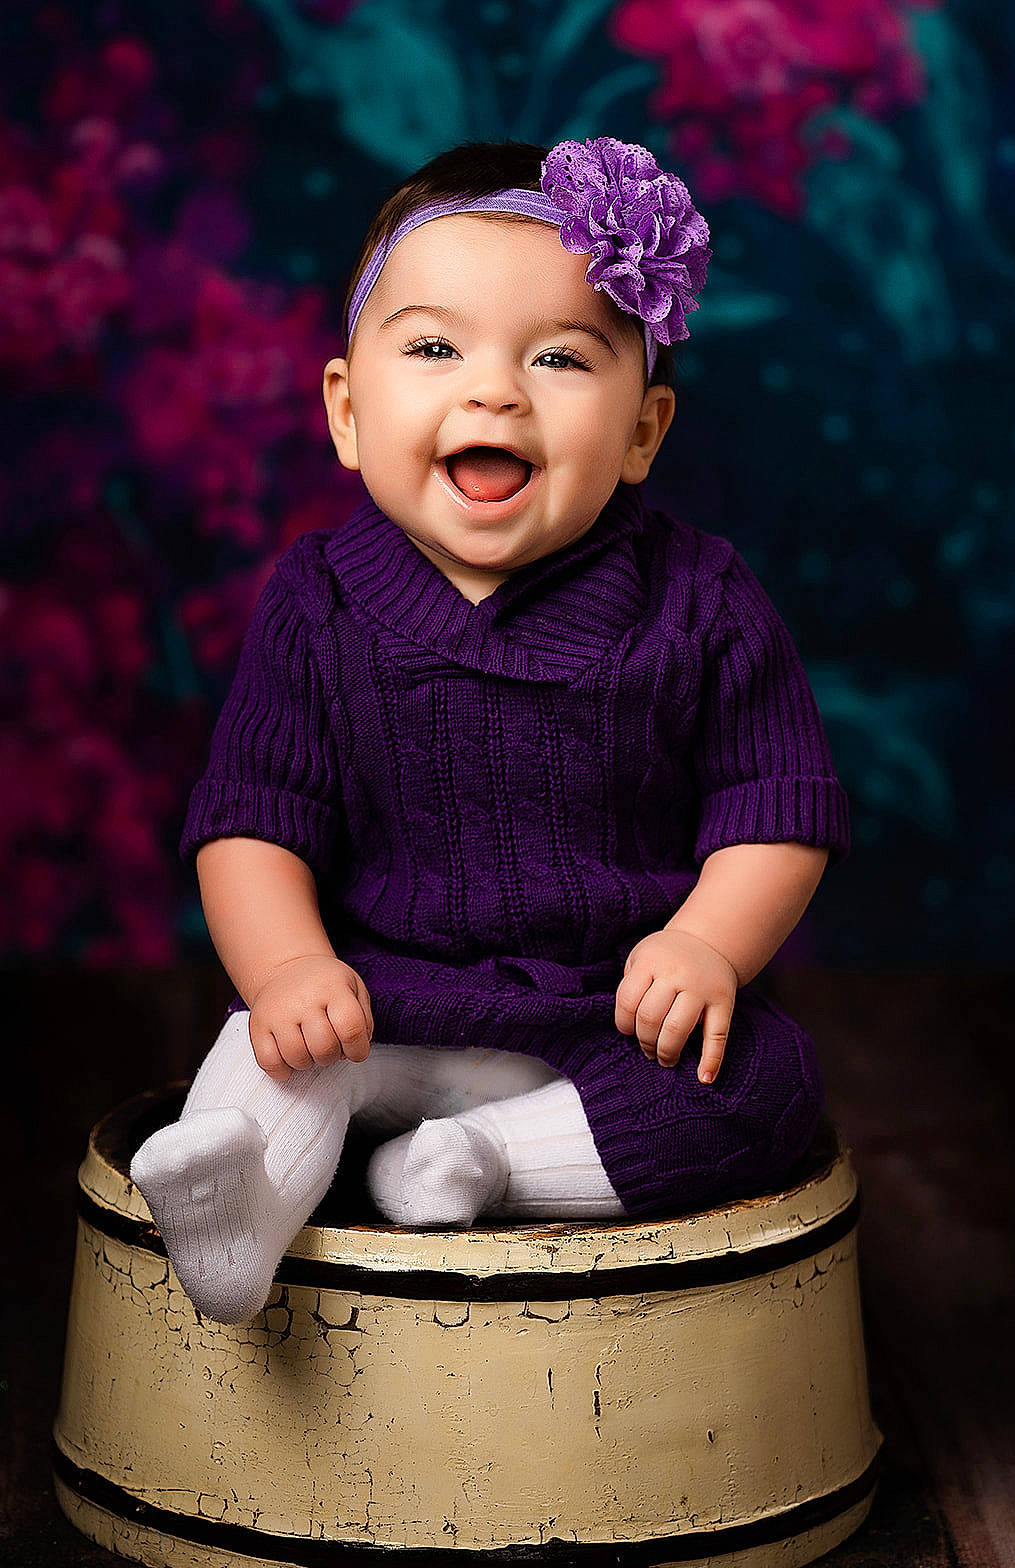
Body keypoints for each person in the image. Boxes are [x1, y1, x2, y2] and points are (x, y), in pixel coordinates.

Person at [131, 136, 849, 1325]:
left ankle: (480, 1164)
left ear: (642, 432)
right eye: (431, 347)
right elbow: (253, 822)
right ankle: (233, 1220)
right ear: (348, 411)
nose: (493, 391)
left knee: (762, 1089)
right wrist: (288, 967)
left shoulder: (701, 602)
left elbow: (775, 807)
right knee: (262, 1054)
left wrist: (709, 946)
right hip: (374, 1003)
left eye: (561, 357)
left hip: (606, 1020)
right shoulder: (319, 602)